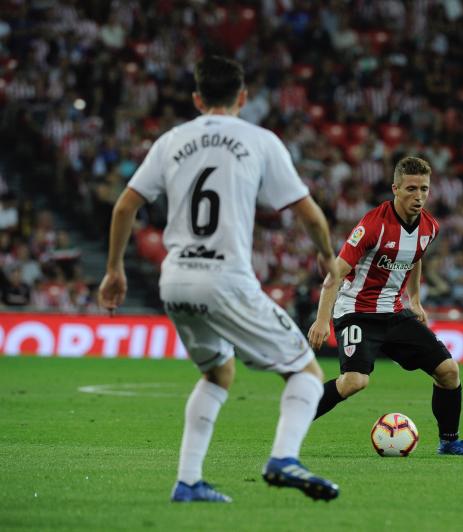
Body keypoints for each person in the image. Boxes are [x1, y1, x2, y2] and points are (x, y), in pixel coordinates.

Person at [98, 56, 340, 502]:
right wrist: (328, 256)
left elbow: (124, 207)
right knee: (304, 370)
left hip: (175, 281)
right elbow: (308, 213)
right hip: (224, 277)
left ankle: (188, 482)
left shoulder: (172, 140)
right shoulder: (260, 140)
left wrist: (114, 269)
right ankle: (284, 458)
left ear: (196, 98)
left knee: (217, 371)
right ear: (243, 98)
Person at [307, 156, 463, 456]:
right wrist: (322, 320)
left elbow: (415, 258)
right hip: (357, 312)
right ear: (395, 188)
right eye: (411, 189)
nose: (418, 197)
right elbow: (335, 272)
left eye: (424, 189)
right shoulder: (373, 224)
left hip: (392, 313)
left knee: (449, 371)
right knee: (354, 381)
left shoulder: (429, 227)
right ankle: (295, 418)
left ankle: (450, 441)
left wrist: (414, 300)